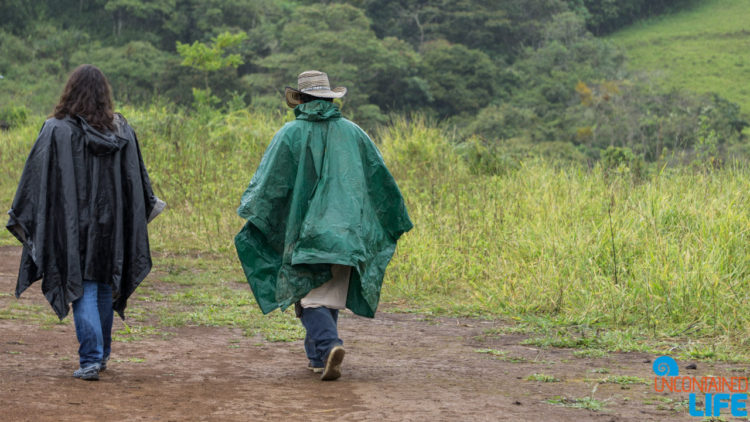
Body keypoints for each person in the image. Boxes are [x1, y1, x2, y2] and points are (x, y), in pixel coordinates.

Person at [235, 70, 412, 381]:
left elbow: (269, 187)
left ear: (300, 100)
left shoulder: (288, 135)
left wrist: (258, 220)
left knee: (311, 296)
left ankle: (330, 345)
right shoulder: (355, 133)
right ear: (329, 98)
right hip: (346, 233)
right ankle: (317, 358)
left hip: (305, 233)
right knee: (326, 291)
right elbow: (380, 183)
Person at [6, 64, 165, 381]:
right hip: (112, 229)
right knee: (103, 287)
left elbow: (35, 183)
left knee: (83, 288)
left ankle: (91, 359)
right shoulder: (121, 130)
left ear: (70, 92)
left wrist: (30, 217)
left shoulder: (56, 129)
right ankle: (100, 356)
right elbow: (137, 183)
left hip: (72, 229)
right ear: (104, 95)